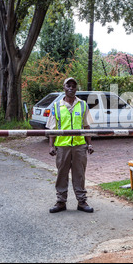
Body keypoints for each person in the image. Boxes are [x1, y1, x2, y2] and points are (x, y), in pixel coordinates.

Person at [46, 77, 95, 213]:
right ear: (64, 87)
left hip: (79, 146)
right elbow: (52, 128)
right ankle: (61, 202)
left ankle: (82, 201)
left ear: (76, 88)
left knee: (79, 174)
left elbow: (86, 126)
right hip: (62, 147)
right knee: (62, 174)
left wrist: (89, 144)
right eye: (68, 86)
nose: (71, 88)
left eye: (73, 86)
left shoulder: (83, 105)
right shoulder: (56, 106)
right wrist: (51, 146)